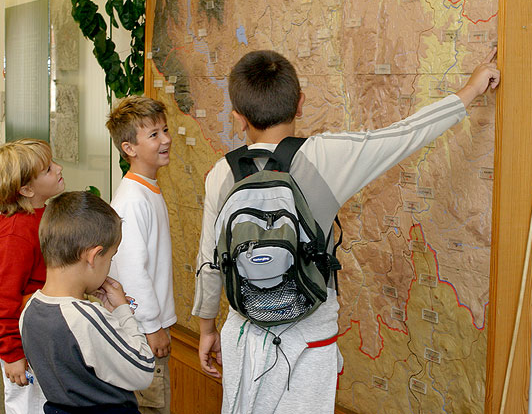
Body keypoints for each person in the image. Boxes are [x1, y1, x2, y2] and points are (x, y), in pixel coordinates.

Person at [192, 49, 501, 413]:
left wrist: (206, 328)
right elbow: (404, 135)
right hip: (309, 343)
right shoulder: (326, 157)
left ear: (238, 118)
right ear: (301, 103)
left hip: (245, 337)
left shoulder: (220, 175)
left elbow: (209, 264)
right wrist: (470, 89)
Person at [19, 191, 155, 414]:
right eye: (111, 257)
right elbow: (143, 369)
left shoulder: (30, 311)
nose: (110, 265)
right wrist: (122, 311)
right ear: (93, 256)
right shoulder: (85, 318)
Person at [0, 138, 65, 414]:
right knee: (30, 406)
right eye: (49, 169)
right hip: (25, 344)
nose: (59, 168)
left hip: (43, 335)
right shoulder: (16, 235)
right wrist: (12, 354)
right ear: (27, 189)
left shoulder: (40, 214)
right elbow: (0, 301)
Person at [105, 96, 176, 414]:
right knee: (152, 405)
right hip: (143, 333)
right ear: (128, 148)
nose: (166, 140)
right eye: (154, 135)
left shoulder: (147, 188)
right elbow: (132, 270)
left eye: (165, 130)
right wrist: (151, 327)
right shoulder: (132, 200)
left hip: (149, 326)